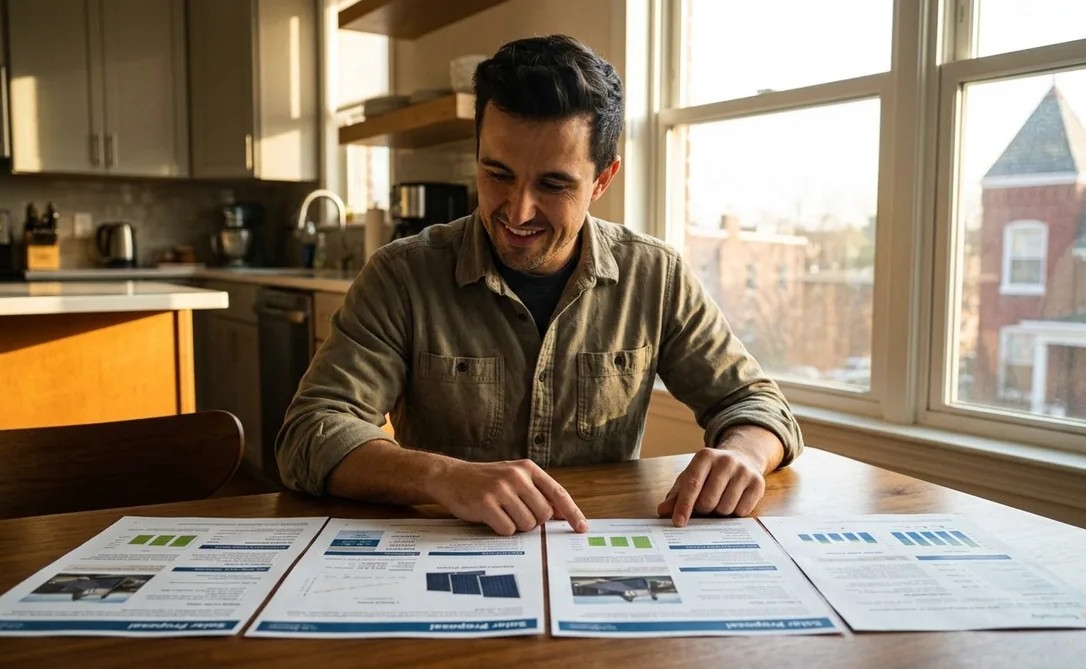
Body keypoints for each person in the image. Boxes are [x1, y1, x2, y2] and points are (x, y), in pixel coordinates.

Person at [276, 34, 803, 536]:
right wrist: (443, 477)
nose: (518, 210)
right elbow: (309, 432)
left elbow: (757, 405)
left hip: (595, 552)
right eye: (497, 174)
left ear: (602, 179)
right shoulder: (401, 275)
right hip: (446, 553)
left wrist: (743, 455)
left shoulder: (655, 275)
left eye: (553, 184)